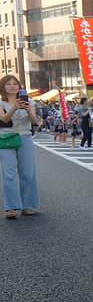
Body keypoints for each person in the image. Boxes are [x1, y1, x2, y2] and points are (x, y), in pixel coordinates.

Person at [0, 75, 42, 219]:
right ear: (3, 87)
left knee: (28, 172)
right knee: (9, 173)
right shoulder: (0, 103)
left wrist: (29, 110)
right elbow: (4, 119)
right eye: (8, 84)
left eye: (15, 84)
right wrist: (13, 108)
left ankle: (28, 205)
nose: (12, 86)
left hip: (25, 136)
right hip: (6, 138)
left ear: (19, 86)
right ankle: (10, 208)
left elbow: (34, 121)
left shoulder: (29, 101)